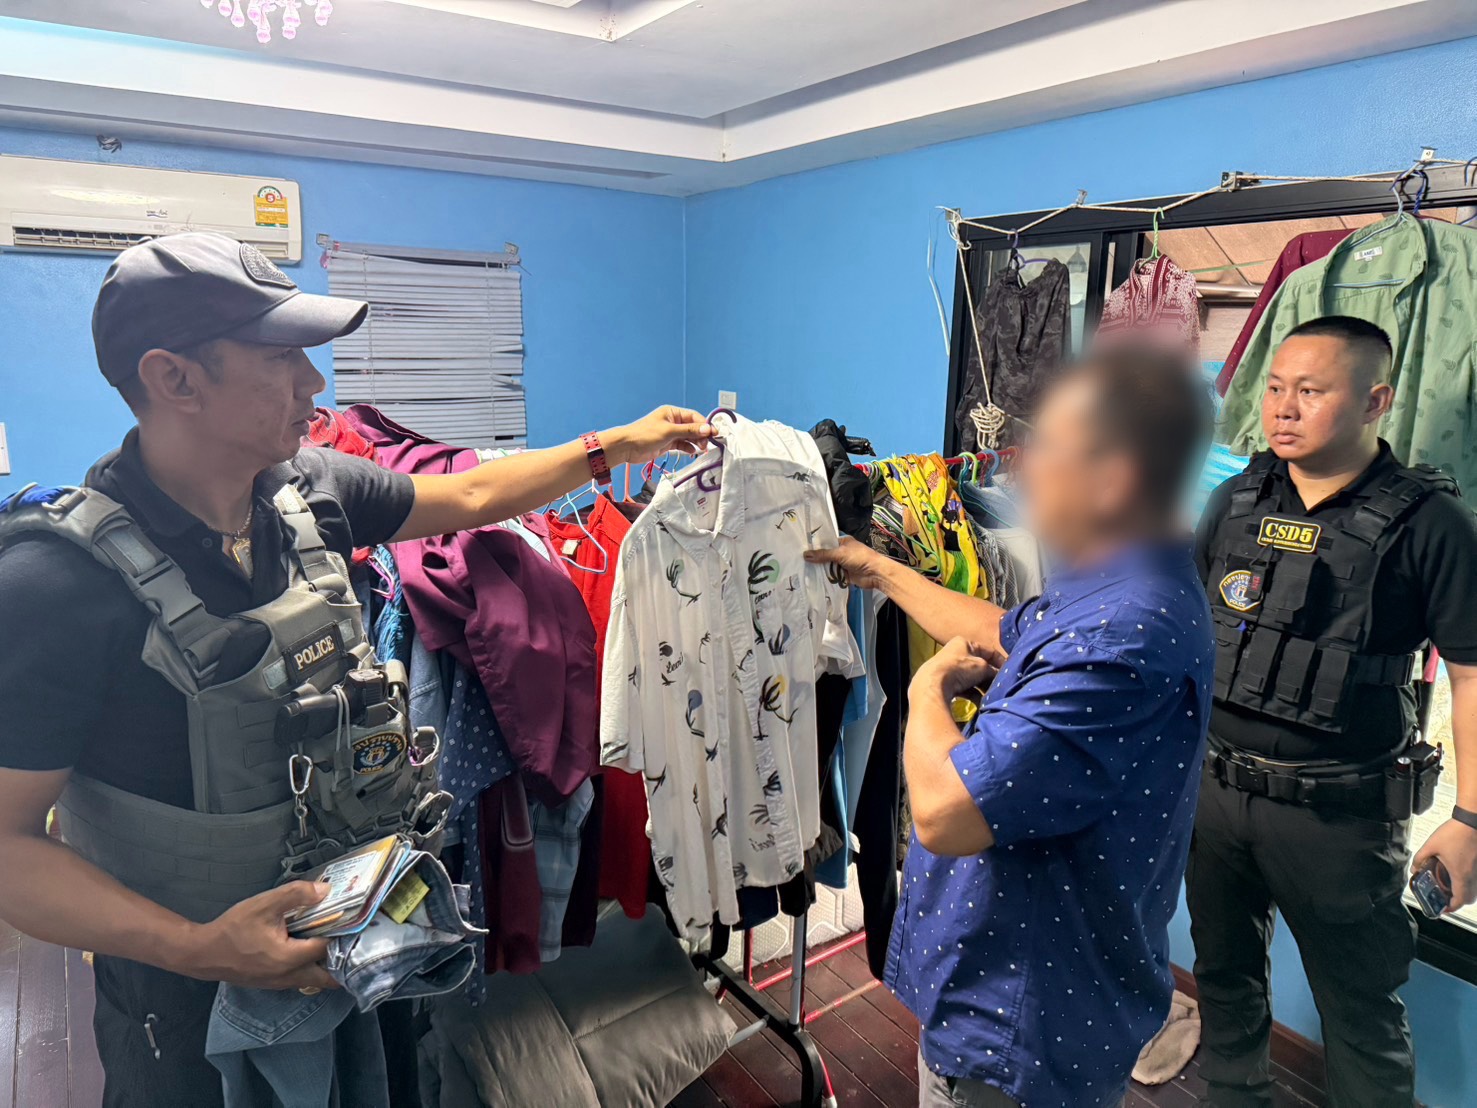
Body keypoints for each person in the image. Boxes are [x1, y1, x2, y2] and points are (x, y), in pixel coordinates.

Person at [0, 231, 713, 1106]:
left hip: (364, 949)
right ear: (174, 378)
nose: (315, 385)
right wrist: (199, 948)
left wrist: (617, 445)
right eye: (281, 357)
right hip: (186, 1002)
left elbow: (474, 495)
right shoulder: (55, 587)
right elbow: (8, 848)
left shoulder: (312, 494)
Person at [808, 345, 1214, 1108]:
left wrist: (927, 689)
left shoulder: (1119, 631)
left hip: (1017, 1022)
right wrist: (880, 569)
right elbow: (1005, 630)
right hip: (1040, 981)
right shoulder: (1128, 578)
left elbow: (945, 811)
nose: (1022, 474)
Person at [1189, 315, 1477, 1107]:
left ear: (1374, 400)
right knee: (1222, 979)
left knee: (1359, 1012)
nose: (1282, 408)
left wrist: (1469, 820)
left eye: (1310, 391)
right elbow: (1186, 626)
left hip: (1338, 817)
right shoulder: (1235, 499)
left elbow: (1470, 674)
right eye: (1275, 388)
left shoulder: (1431, 525)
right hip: (1213, 794)